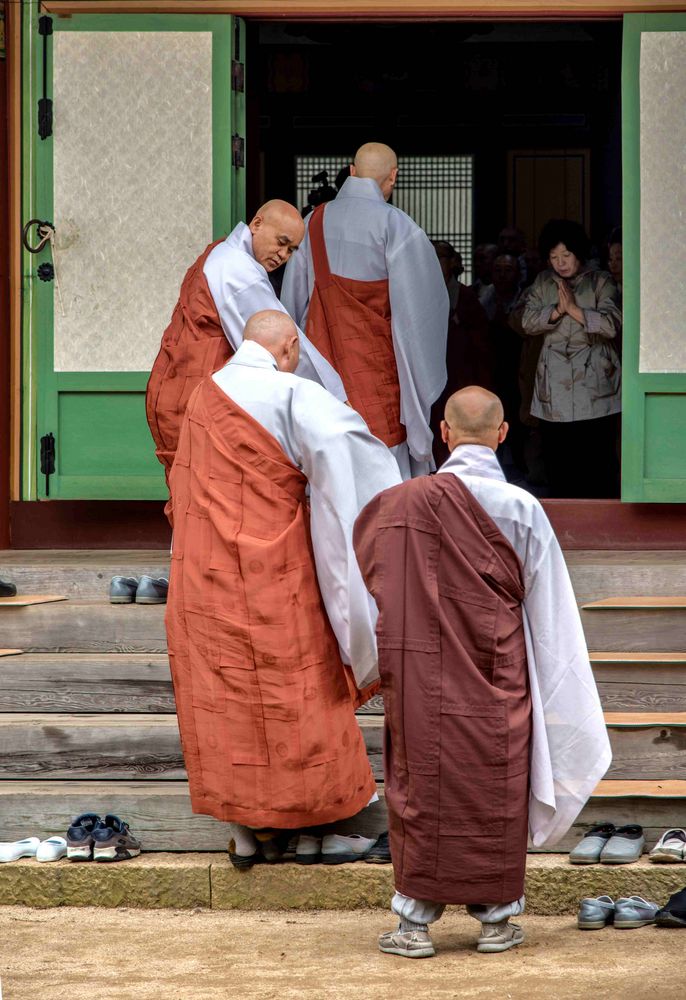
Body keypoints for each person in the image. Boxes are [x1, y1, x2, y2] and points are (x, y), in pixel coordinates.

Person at [353, 386, 610, 960]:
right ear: (502, 433)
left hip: (419, 676)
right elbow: (549, 614)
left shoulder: (399, 504)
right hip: (499, 677)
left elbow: (374, 592)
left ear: (443, 434)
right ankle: (496, 921)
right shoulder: (523, 508)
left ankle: (414, 923)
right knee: (494, 785)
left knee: (421, 786)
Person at [165, 310, 402, 868]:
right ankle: (315, 824)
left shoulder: (202, 398)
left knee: (228, 701)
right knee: (297, 689)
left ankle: (248, 834)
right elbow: (360, 461)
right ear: (289, 348)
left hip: (205, 576)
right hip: (275, 576)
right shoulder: (293, 394)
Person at [281, 142, 448, 479]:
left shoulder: (313, 221)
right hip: (379, 370)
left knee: (330, 465)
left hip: (323, 369)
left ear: (352, 172)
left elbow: (290, 307)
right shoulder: (396, 225)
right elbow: (421, 312)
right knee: (385, 470)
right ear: (393, 177)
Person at [146, 200, 344, 481]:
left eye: (291, 250)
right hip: (194, 395)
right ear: (257, 224)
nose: (283, 255)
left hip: (178, 387)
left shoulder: (220, 251)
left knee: (195, 492)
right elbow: (282, 345)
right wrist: (333, 400)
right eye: (281, 242)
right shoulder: (237, 270)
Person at [520, 219, 622, 498]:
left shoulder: (600, 280)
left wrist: (574, 310)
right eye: (554, 257)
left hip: (595, 380)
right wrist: (555, 311)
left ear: (579, 253)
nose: (560, 263)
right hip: (554, 382)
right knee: (558, 456)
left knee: (596, 456)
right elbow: (527, 322)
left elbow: (613, 324)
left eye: (566, 256)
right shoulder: (543, 282)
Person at [430, 240, 491, 464]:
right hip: (431, 374)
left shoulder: (465, 296)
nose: (434, 263)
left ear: (452, 262)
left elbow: (481, 338)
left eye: (439, 258)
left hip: (461, 374)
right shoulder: (420, 293)